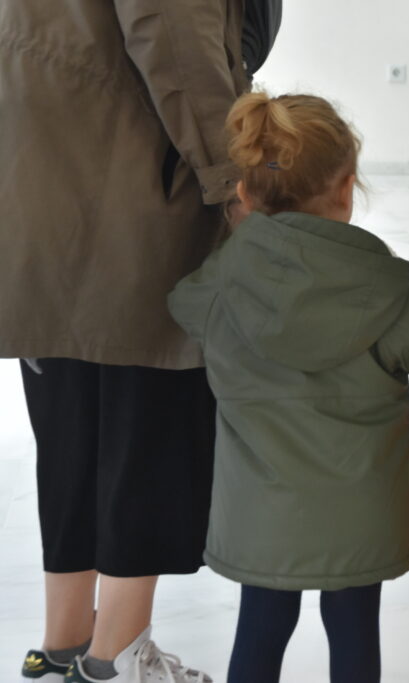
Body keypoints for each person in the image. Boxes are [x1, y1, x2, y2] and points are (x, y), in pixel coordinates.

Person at [166, 92, 409, 683]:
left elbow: (180, 307)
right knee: (354, 628)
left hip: (263, 516)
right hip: (362, 514)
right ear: (346, 189)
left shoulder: (220, 284)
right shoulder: (380, 284)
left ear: (245, 192)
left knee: (260, 627)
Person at [0, 2, 254, 682]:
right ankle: (117, 656)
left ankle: (64, 640)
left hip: (41, 182)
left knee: (70, 428)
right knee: (147, 430)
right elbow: (175, 42)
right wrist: (236, 184)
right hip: (135, 194)